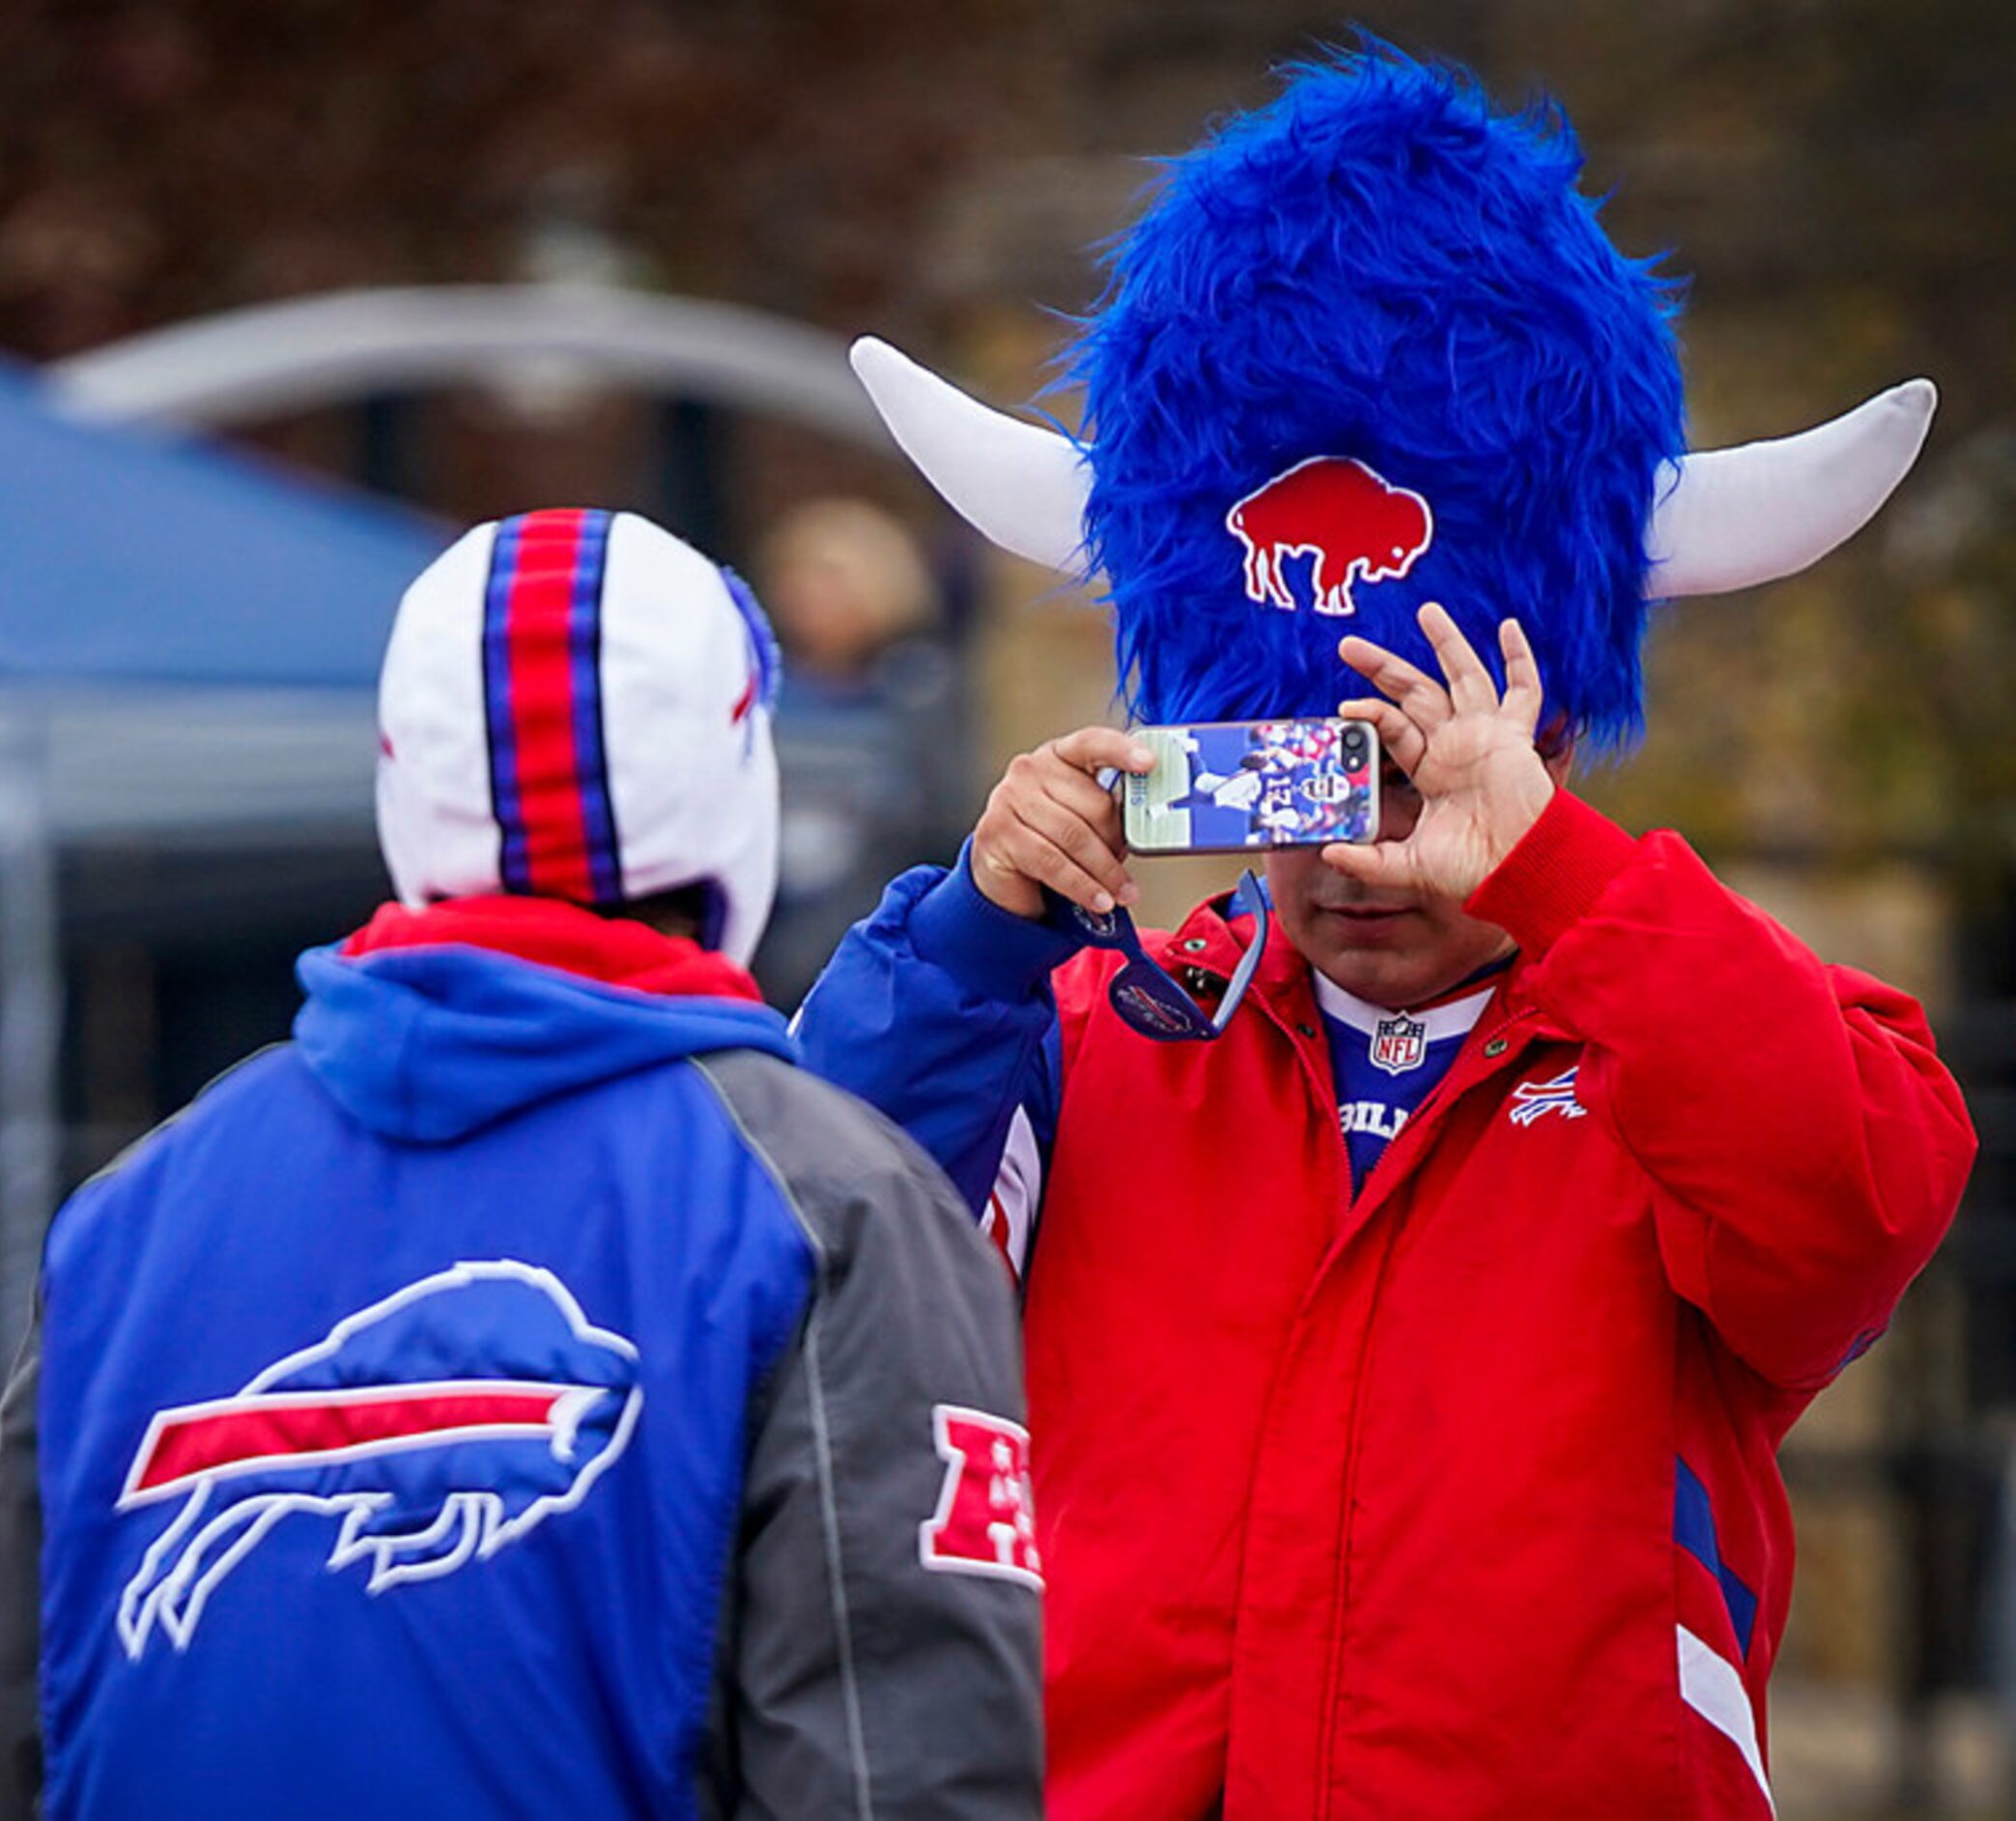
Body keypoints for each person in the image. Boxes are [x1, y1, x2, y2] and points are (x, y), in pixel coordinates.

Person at [796, 45, 1977, 1819]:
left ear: (1556, 724)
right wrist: (968, 941)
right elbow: (807, 1263)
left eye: (1410, 764)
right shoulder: (1102, 1028)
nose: (1357, 847)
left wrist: (1563, 881)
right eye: (1295, 767)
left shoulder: (1674, 1023)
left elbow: (1859, 1209)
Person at [0, 507, 1043, 1819]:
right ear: (736, 773)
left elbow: (27, 1751)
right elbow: (901, 1779)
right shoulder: (831, 1203)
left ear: (402, 776)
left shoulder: (126, 1218)